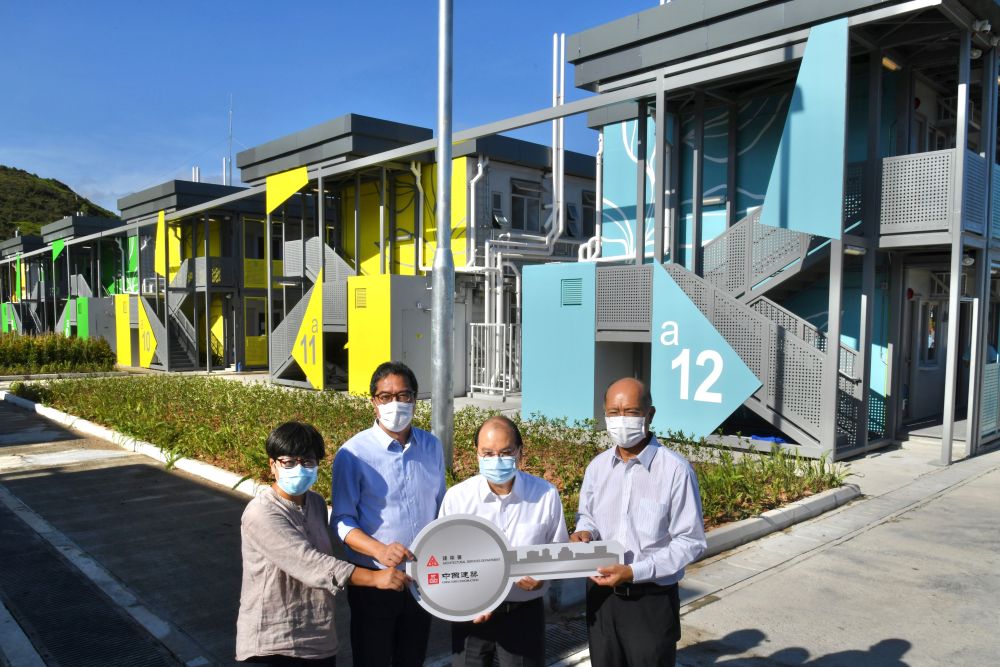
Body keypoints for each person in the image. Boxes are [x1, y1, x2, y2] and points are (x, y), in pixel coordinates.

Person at [236, 421, 408, 666]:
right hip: (274, 643)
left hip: (317, 638)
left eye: (307, 461)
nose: (299, 468)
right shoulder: (262, 512)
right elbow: (310, 563)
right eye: (289, 462)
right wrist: (375, 578)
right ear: (272, 464)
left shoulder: (315, 503)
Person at [570, 378, 707, 667]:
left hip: (650, 601)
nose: (621, 419)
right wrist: (584, 531)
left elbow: (690, 542)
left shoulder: (676, 471)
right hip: (601, 599)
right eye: (613, 412)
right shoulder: (597, 467)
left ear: (650, 415)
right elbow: (588, 515)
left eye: (631, 412)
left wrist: (633, 571)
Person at [331, 361, 446, 667]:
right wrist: (379, 550)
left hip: (422, 577)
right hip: (376, 582)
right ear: (374, 403)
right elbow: (341, 521)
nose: (395, 403)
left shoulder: (432, 446)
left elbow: (440, 506)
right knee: (373, 659)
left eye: (404, 395)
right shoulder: (353, 454)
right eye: (385, 396)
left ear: (415, 400)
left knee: (413, 657)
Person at [439, 416, 569, 667]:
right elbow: (444, 558)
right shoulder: (458, 499)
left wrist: (544, 575)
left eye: (506, 452)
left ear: (520, 452)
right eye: (487, 453)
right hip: (471, 617)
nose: (496, 460)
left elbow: (558, 551)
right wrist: (464, 602)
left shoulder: (545, 495)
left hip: (523, 614)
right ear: (476, 453)